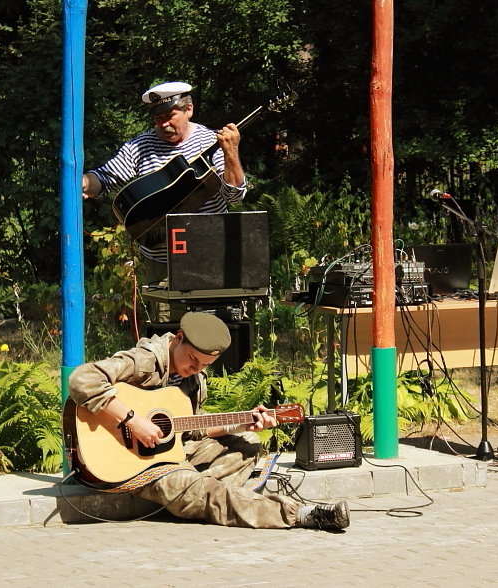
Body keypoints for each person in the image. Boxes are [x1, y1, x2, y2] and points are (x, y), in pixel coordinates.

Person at [67, 311, 350, 531]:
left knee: (248, 442)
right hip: (129, 464)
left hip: (170, 455)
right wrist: (133, 420)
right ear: (178, 338)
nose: (196, 368)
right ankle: (300, 515)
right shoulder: (145, 361)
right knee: (204, 488)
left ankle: (198, 496)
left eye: (204, 364)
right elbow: (82, 379)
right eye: (192, 359)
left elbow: (190, 428)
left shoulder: (194, 380)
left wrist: (241, 422)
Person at [81, 81, 247, 286]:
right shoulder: (141, 147)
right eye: (158, 118)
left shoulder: (211, 141)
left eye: (170, 116)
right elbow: (105, 177)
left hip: (211, 256)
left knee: (214, 318)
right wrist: (83, 184)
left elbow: (234, 196)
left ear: (189, 109)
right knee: (167, 319)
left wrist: (230, 152)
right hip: (161, 264)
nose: (164, 124)